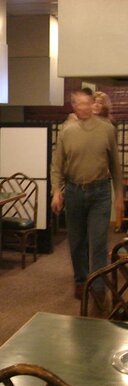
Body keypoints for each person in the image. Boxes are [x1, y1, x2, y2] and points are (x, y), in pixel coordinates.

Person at [51, 89, 124, 300]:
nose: (83, 107)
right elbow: (57, 166)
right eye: (79, 104)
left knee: (99, 241)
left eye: (87, 103)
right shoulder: (66, 131)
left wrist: (119, 195)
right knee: (77, 242)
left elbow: (115, 165)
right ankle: (81, 281)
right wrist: (56, 191)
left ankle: (98, 287)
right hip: (74, 191)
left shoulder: (106, 129)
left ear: (92, 104)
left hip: (100, 192)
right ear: (74, 106)